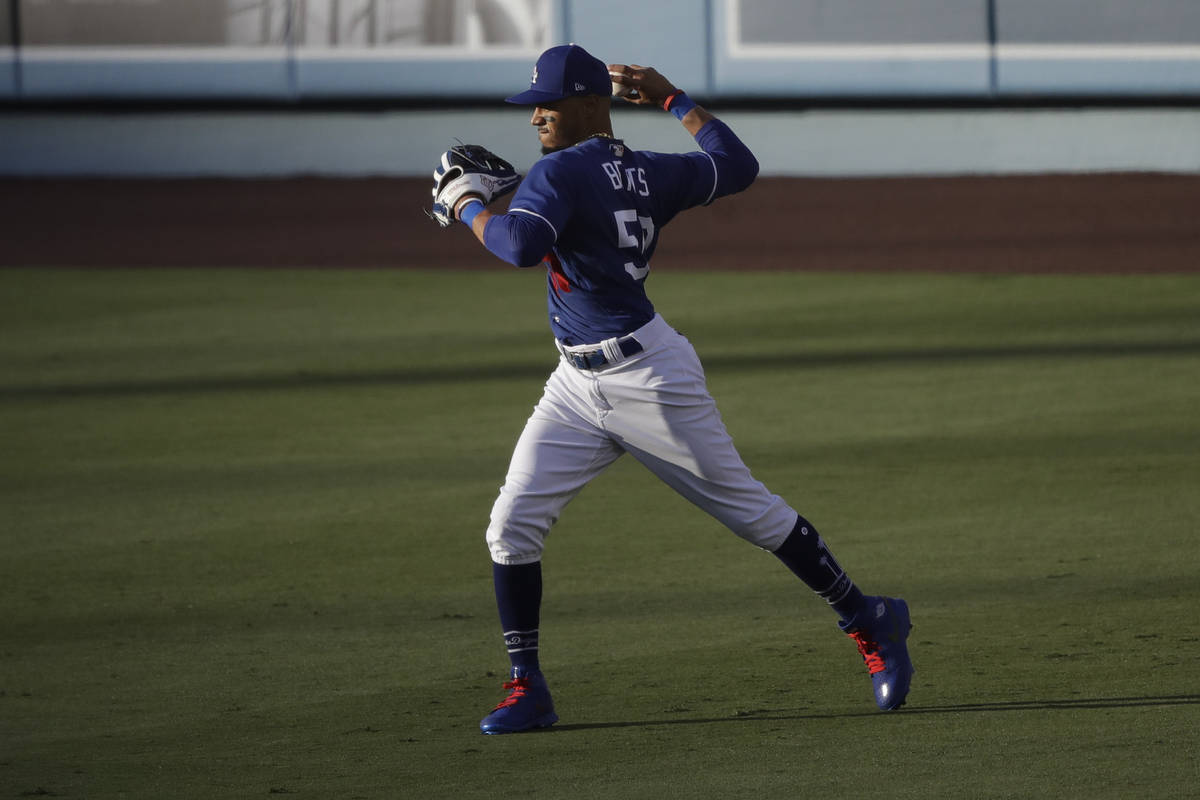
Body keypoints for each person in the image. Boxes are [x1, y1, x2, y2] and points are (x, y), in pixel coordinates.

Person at [433, 43, 914, 734]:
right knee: (511, 526)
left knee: (756, 516)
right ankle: (527, 687)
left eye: (548, 102)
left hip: (650, 383)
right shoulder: (648, 170)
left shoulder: (560, 173)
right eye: (533, 103)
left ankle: (866, 618)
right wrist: (670, 98)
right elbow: (737, 166)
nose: (535, 113)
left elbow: (517, 247)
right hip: (576, 382)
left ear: (589, 105)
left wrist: (466, 205)